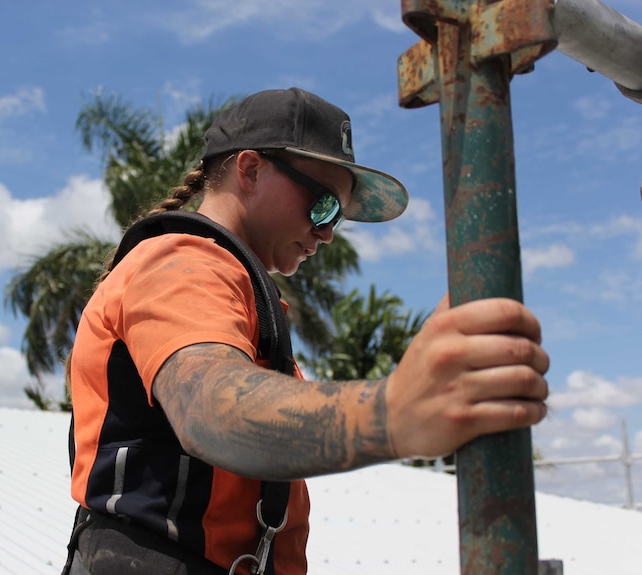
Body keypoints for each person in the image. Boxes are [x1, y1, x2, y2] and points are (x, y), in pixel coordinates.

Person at [62, 87, 549, 575]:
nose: (328, 232)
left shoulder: (235, 287)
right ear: (249, 170)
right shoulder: (182, 263)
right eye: (321, 206)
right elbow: (207, 405)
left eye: (336, 216)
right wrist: (393, 413)